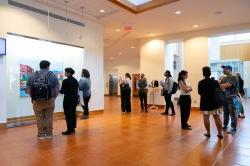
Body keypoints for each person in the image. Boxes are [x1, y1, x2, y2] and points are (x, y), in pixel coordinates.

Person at [26, 60, 60, 139]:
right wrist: (53, 98)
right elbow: (57, 88)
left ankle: (41, 134)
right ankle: (49, 134)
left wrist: (33, 98)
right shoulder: (52, 75)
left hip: (37, 101)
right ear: (48, 66)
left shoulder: (32, 75)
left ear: (40, 66)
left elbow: (28, 89)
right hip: (49, 100)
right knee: (49, 117)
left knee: (39, 117)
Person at [198, 66, 223, 139]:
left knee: (206, 118)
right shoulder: (215, 82)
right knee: (217, 117)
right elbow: (219, 91)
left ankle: (208, 133)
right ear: (210, 73)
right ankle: (219, 133)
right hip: (215, 102)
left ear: (203, 74)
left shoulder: (201, 82)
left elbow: (200, 92)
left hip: (205, 102)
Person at [60, 68, 79, 135]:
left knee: (68, 115)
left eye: (65, 72)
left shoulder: (65, 81)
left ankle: (69, 130)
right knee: (73, 113)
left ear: (69, 73)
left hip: (68, 100)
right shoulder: (75, 80)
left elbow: (62, 91)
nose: (64, 73)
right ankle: (73, 128)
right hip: (74, 99)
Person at [220, 65, 239, 134]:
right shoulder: (224, 78)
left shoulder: (234, 77)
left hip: (232, 98)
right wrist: (223, 85)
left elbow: (228, 85)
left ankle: (233, 128)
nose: (224, 70)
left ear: (230, 69)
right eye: (223, 69)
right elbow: (220, 86)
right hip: (225, 98)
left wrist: (223, 85)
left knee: (232, 113)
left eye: (225, 69)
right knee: (225, 112)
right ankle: (225, 125)